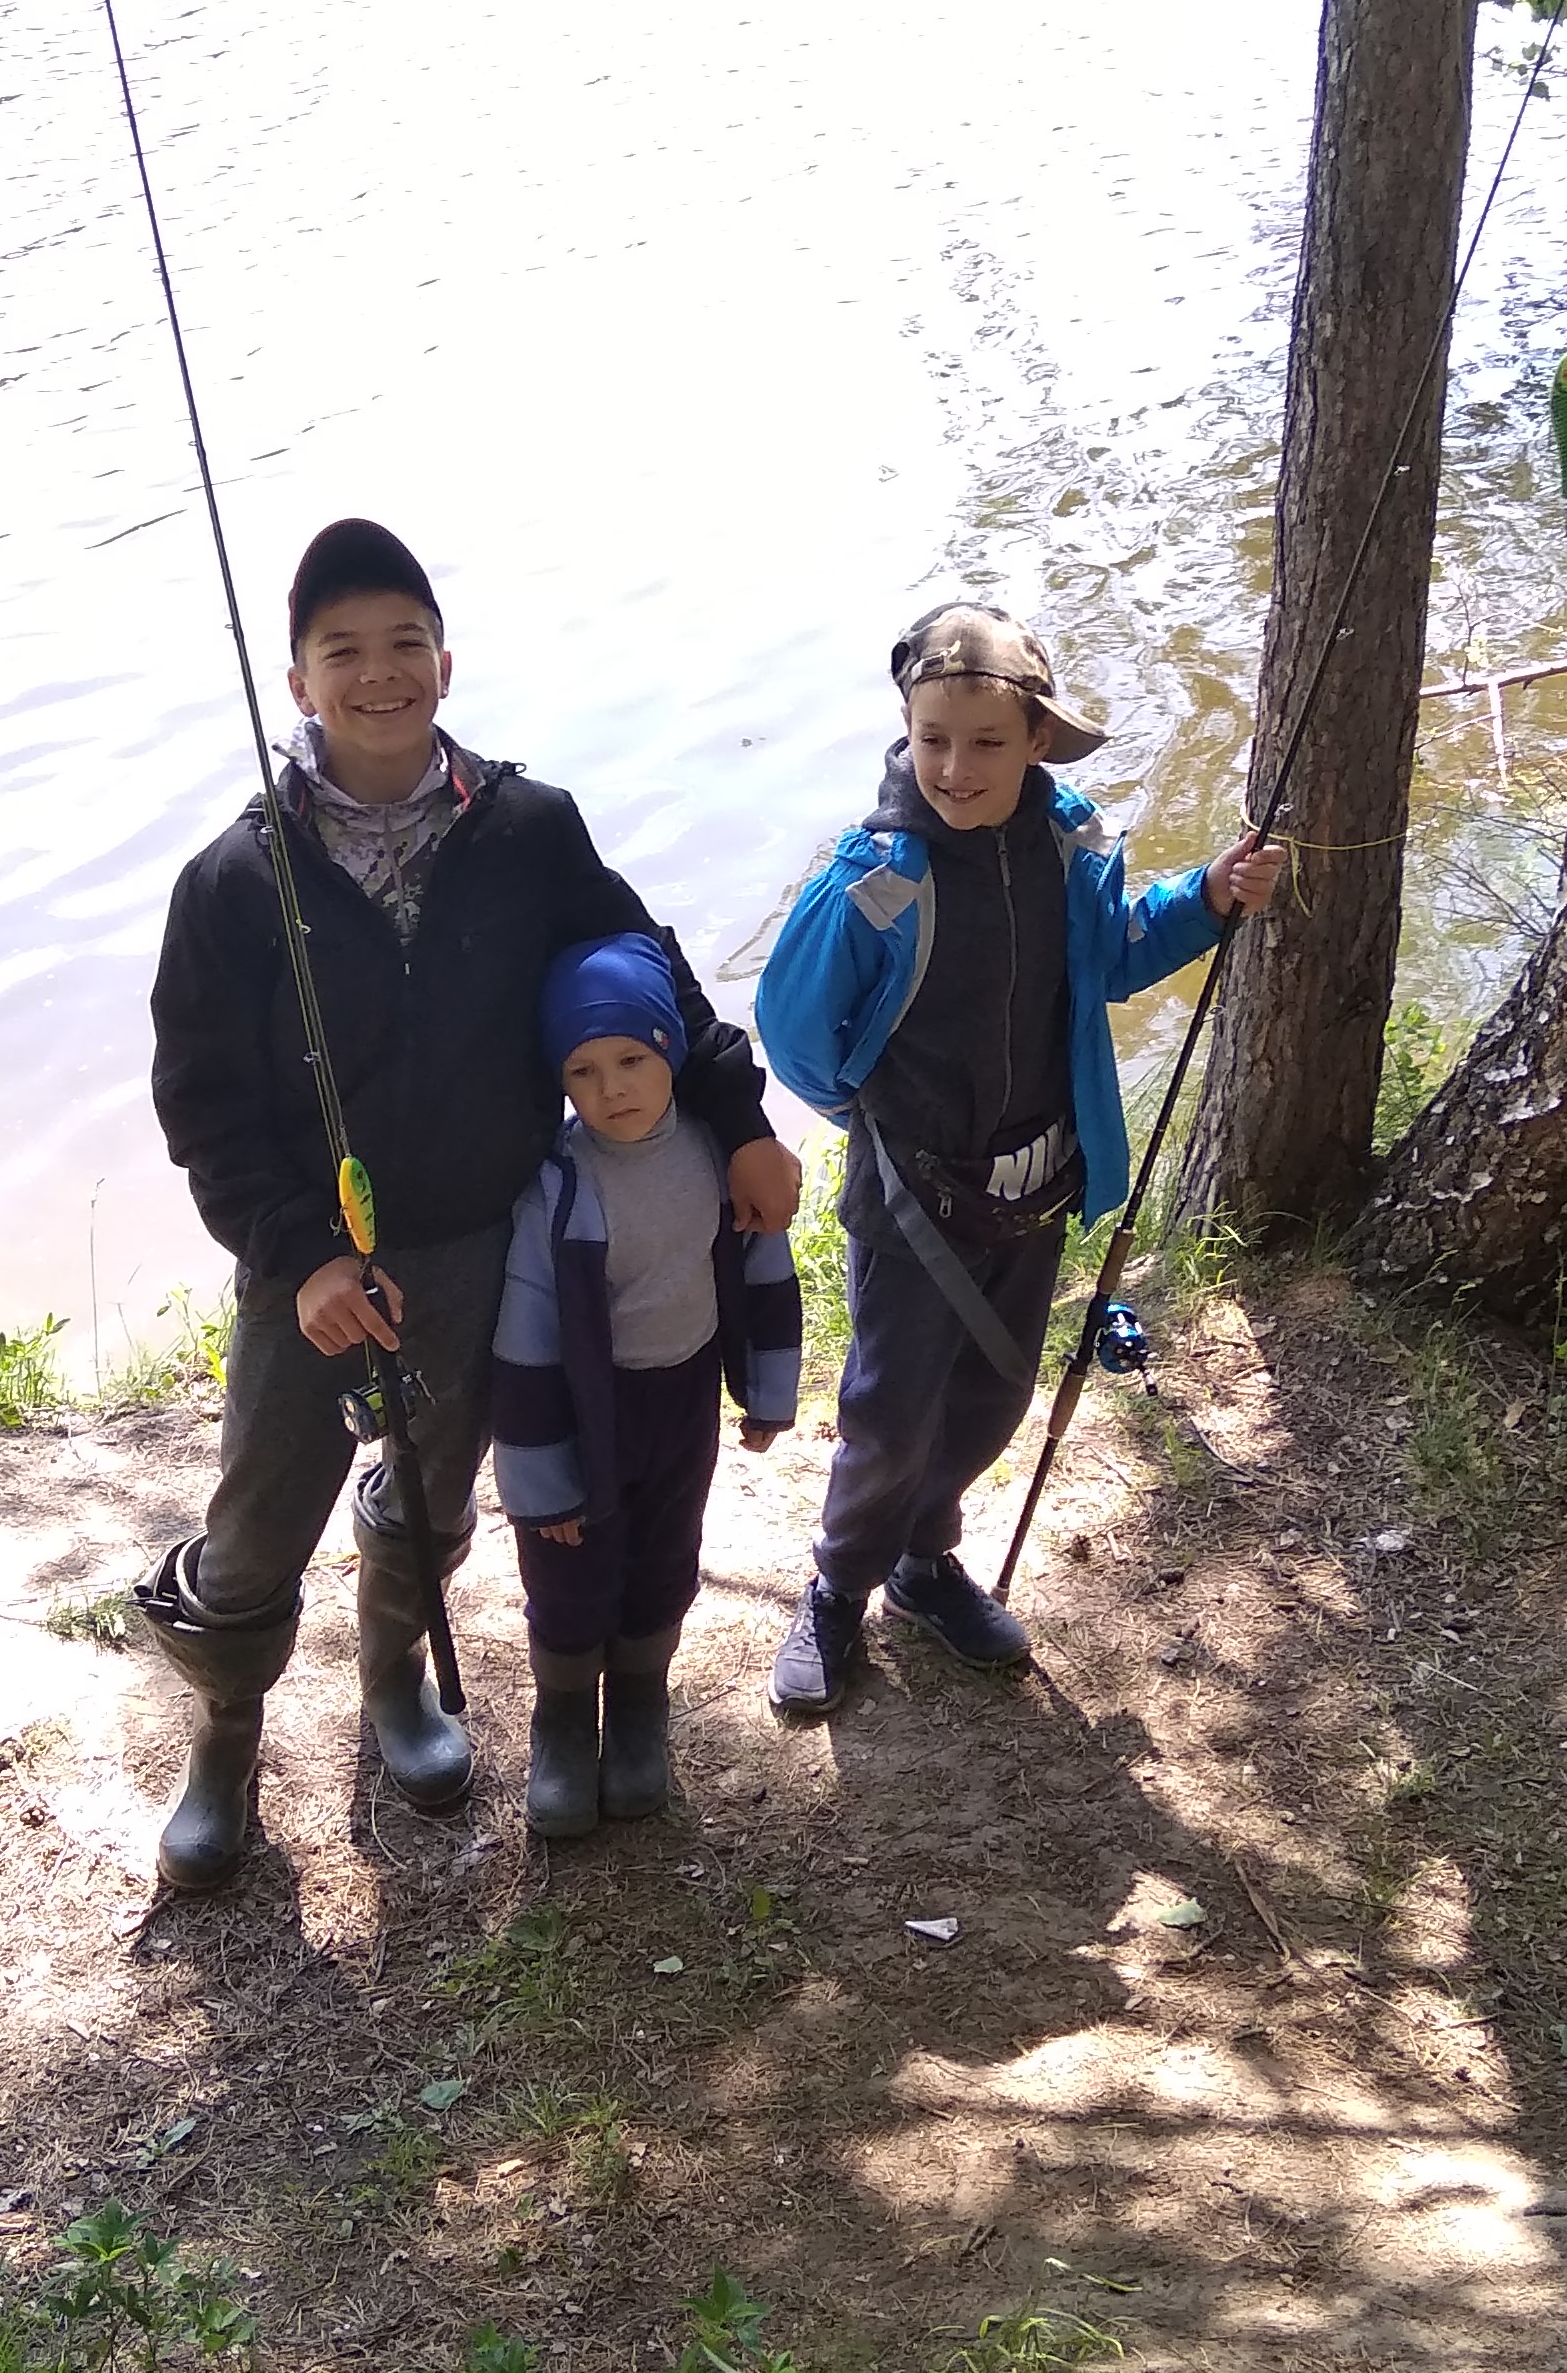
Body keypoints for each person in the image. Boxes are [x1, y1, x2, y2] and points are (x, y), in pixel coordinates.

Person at [142, 518, 803, 1889]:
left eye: (405, 644)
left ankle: (392, 1680)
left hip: (483, 1240)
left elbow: (643, 965)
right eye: (342, 652)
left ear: (445, 664)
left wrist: (738, 1119)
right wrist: (302, 1255)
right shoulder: (233, 880)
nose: (378, 673)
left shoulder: (528, 829)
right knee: (260, 1512)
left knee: (434, 1491)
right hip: (311, 1268)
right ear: (298, 683)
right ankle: (224, 1735)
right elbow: (201, 1105)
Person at [751, 602, 1274, 1717]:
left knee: (993, 1392)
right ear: (905, 731)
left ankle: (923, 1560)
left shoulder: (1070, 842)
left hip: (1035, 1184)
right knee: (891, 1407)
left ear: (1037, 740)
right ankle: (838, 1586)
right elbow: (794, 1034)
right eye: (932, 739)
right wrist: (879, 1125)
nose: (955, 767)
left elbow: (1115, 957)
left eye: (987, 742)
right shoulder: (874, 878)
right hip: (912, 1200)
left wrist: (1208, 898)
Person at [491, 935, 803, 1838]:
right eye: (582, 1072)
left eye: (632, 1059)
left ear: (671, 1049)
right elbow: (525, 1342)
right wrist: (542, 1485)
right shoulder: (556, 1185)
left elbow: (765, 1271)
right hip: (590, 1412)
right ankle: (562, 1723)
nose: (612, 1089)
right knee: (569, 1571)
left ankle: (638, 1708)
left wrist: (768, 1392)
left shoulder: (716, 1154)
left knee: (667, 1553)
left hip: (685, 1399)